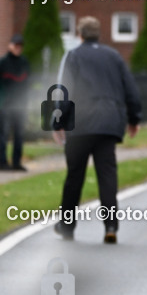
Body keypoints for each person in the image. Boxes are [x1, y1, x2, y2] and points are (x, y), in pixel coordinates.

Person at [54, 17, 141, 243]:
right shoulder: (114, 56)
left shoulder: (73, 56)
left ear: (80, 35)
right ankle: (110, 225)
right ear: (98, 33)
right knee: (107, 176)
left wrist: (57, 122)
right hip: (108, 124)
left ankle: (67, 226)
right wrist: (134, 118)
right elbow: (130, 88)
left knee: (75, 176)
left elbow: (64, 90)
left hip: (80, 124)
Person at [0, 34, 32, 171]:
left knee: (19, 135)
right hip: (5, 105)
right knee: (4, 134)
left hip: (20, 105)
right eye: (15, 46)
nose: (17, 49)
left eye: (20, 46)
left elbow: (28, 83)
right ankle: (2, 163)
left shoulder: (24, 63)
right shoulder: (2, 63)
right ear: (10, 45)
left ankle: (16, 162)